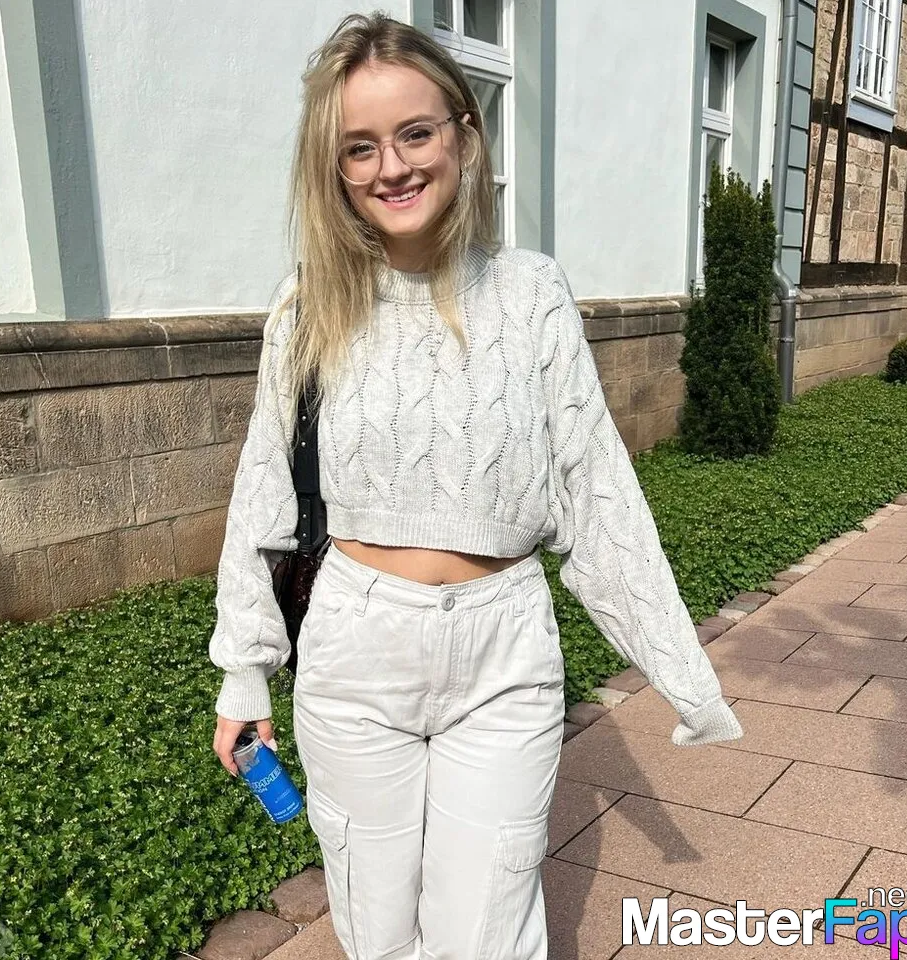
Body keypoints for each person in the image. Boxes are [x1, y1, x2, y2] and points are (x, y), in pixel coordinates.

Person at [210, 11, 743, 959]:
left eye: (414, 133)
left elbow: (597, 494)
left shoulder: (531, 293)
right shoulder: (307, 307)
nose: (391, 167)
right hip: (354, 654)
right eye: (359, 147)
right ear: (334, 168)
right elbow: (263, 496)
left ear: (464, 132)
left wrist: (681, 675)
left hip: (504, 656)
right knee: (376, 930)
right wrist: (244, 672)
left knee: (490, 932)